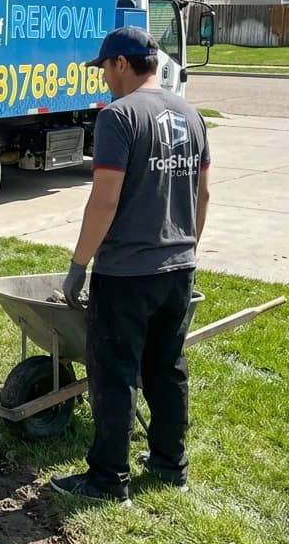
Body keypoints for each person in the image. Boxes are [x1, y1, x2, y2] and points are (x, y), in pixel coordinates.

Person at [52, 26, 211, 503]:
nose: (103, 79)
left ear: (121, 64)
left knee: (115, 373)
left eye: (104, 68)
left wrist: (79, 265)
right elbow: (204, 194)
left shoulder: (118, 117)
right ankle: (169, 465)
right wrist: (185, 249)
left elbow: (104, 201)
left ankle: (107, 480)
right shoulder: (191, 114)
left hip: (127, 274)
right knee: (167, 368)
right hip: (179, 267)